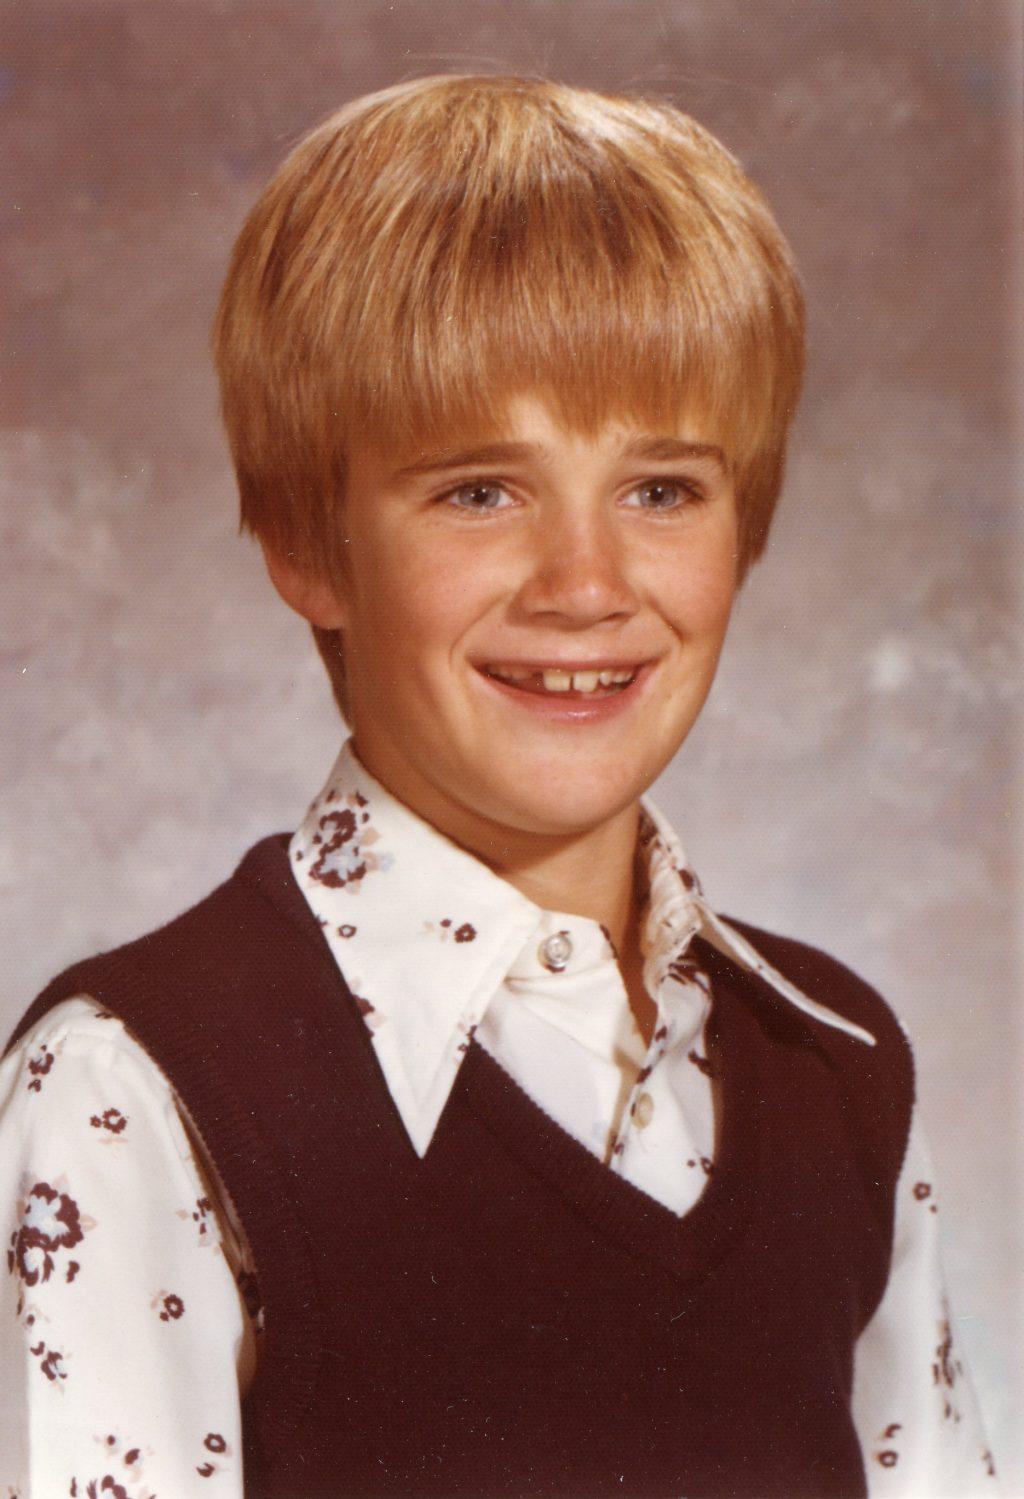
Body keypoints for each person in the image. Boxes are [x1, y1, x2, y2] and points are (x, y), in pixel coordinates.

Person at [0, 75, 997, 1498]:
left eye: (661, 490)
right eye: (481, 490)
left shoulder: (834, 1078)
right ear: (309, 543)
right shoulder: (137, 1096)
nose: (587, 586)